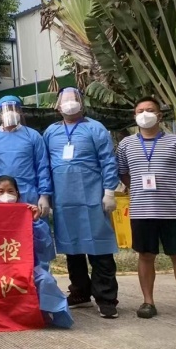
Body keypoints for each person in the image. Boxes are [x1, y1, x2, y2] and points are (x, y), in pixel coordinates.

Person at [116, 97, 176, 323]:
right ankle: (148, 302)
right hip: (141, 211)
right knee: (145, 256)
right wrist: (138, 187)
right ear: (134, 116)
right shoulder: (126, 144)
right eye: (140, 110)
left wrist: (171, 187)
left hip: (173, 211)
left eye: (150, 110)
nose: (145, 114)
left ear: (159, 115)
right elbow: (122, 172)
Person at [43, 87, 121, 319]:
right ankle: (80, 292)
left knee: (100, 248)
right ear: (57, 106)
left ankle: (106, 299)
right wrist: (45, 195)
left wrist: (109, 191)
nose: (70, 104)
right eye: (65, 100)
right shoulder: (51, 132)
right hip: (63, 200)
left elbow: (108, 161)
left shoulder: (95, 128)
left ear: (82, 103)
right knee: (72, 248)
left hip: (93, 197)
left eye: (74, 99)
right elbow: (45, 165)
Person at [0, 176, 72, 328]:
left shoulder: (28, 216)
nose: (6, 196)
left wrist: (35, 221)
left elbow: (44, 248)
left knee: (46, 280)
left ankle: (47, 312)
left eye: (10, 191)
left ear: (18, 194)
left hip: (26, 268)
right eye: (1, 191)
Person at [0, 96, 52, 214]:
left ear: (20, 111)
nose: (9, 112)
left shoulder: (33, 136)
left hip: (29, 195)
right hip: (1, 196)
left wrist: (44, 195)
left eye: (13, 108)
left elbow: (42, 166)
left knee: (32, 224)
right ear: (0, 114)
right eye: (6, 109)